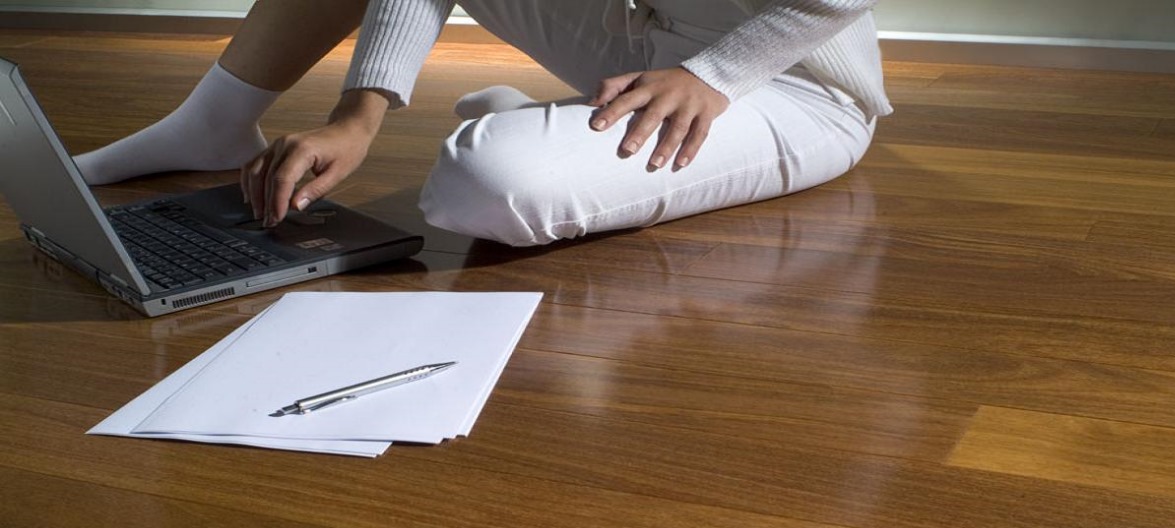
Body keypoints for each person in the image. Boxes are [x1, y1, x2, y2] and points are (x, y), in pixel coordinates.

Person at [74, 0, 892, 247]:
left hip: (787, 79)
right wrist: (357, 117)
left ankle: (554, 132)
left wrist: (711, 77)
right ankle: (213, 123)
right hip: (643, 36)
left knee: (483, 188)